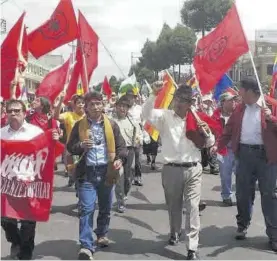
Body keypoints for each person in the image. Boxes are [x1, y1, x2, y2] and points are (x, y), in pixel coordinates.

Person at [142, 84, 215, 260]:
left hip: (193, 168)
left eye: (182, 100)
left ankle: (192, 247)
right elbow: (146, 114)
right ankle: (175, 231)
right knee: (174, 206)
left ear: (190, 102)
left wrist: (206, 132)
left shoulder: (198, 118)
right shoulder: (164, 117)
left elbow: (210, 142)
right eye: (176, 98)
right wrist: (153, 94)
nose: (177, 102)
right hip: (171, 169)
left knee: (192, 207)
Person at [211, 77, 277, 252]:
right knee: (243, 193)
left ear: (250, 92)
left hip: (267, 158)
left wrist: (272, 118)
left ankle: (274, 235)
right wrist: (218, 145)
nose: (238, 94)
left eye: (241, 90)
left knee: (269, 195)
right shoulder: (239, 109)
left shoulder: (271, 105)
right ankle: (243, 225)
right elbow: (228, 130)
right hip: (245, 155)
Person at [67, 91, 127, 260]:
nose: (95, 107)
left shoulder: (112, 125)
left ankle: (101, 233)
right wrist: (81, 145)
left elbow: (122, 148)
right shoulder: (79, 125)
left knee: (106, 207)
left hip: (107, 171)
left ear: (103, 105)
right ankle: (86, 245)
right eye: (91, 104)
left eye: (98, 103)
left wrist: (119, 160)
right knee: (86, 209)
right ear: (86, 107)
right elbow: (71, 147)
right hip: (87, 173)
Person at [1, 99, 59, 260]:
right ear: (6, 113)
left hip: (30, 184)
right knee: (6, 221)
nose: (13, 113)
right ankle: (15, 241)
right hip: (7, 186)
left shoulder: (35, 132)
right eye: (10, 110)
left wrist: (53, 139)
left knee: (28, 225)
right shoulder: (1, 134)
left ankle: (25, 254)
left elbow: (48, 152)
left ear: (24, 113)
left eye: (17, 110)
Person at [112, 95, 142, 213]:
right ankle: (120, 201)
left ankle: (124, 193)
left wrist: (138, 141)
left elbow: (138, 136)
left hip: (130, 150)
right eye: (120, 106)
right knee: (119, 175)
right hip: (117, 151)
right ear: (116, 107)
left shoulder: (133, 122)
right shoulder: (111, 121)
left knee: (128, 176)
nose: (122, 109)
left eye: (124, 107)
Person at [54, 93, 85, 186]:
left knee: (82, 171)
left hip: (85, 147)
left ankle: (79, 186)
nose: (81, 104)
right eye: (78, 103)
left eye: (83, 103)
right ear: (74, 105)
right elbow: (56, 117)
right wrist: (60, 101)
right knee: (73, 169)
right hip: (71, 148)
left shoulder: (88, 116)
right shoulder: (69, 115)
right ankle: (73, 177)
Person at [212, 92, 237, 206]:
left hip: (238, 149)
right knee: (225, 175)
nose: (233, 102)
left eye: (234, 100)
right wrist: (214, 144)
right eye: (230, 100)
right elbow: (213, 133)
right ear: (222, 103)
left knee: (242, 174)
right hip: (224, 150)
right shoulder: (216, 116)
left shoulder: (238, 114)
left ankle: (241, 196)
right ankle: (226, 195)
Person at [126, 89, 143, 186]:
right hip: (127, 138)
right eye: (128, 97)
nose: (130, 99)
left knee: (138, 160)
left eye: (132, 97)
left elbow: (143, 120)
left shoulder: (139, 108)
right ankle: (128, 177)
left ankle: (138, 177)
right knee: (129, 160)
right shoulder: (124, 109)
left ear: (135, 98)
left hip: (137, 137)